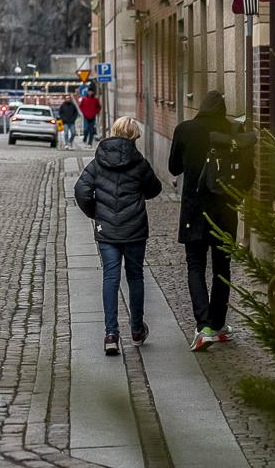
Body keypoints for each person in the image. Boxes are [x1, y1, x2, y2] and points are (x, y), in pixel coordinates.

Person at [169, 91, 257, 352]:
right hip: (226, 210)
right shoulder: (233, 130)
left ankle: (203, 326)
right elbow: (248, 170)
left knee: (195, 266)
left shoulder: (186, 129)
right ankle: (217, 325)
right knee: (222, 268)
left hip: (194, 211)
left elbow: (174, 167)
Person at [73, 115, 162, 355]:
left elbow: (81, 189)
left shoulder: (99, 160)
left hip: (108, 231)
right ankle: (136, 329)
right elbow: (155, 188)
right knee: (135, 277)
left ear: (113, 131)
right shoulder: (139, 162)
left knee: (110, 279)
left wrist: (96, 213)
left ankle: (111, 334)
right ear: (134, 136)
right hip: (134, 229)